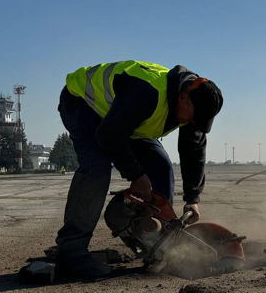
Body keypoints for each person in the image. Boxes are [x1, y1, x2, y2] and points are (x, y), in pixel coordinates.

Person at [55, 60, 223, 278]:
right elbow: (108, 135)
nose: (193, 122)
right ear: (183, 97)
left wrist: (193, 198)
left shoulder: (194, 106)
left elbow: (194, 151)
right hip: (83, 104)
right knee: (96, 168)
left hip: (124, 118)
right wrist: (136, 175)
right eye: (193, 116)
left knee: (161, 166)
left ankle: (158, 245)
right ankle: (71, 254)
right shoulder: (147, 92)